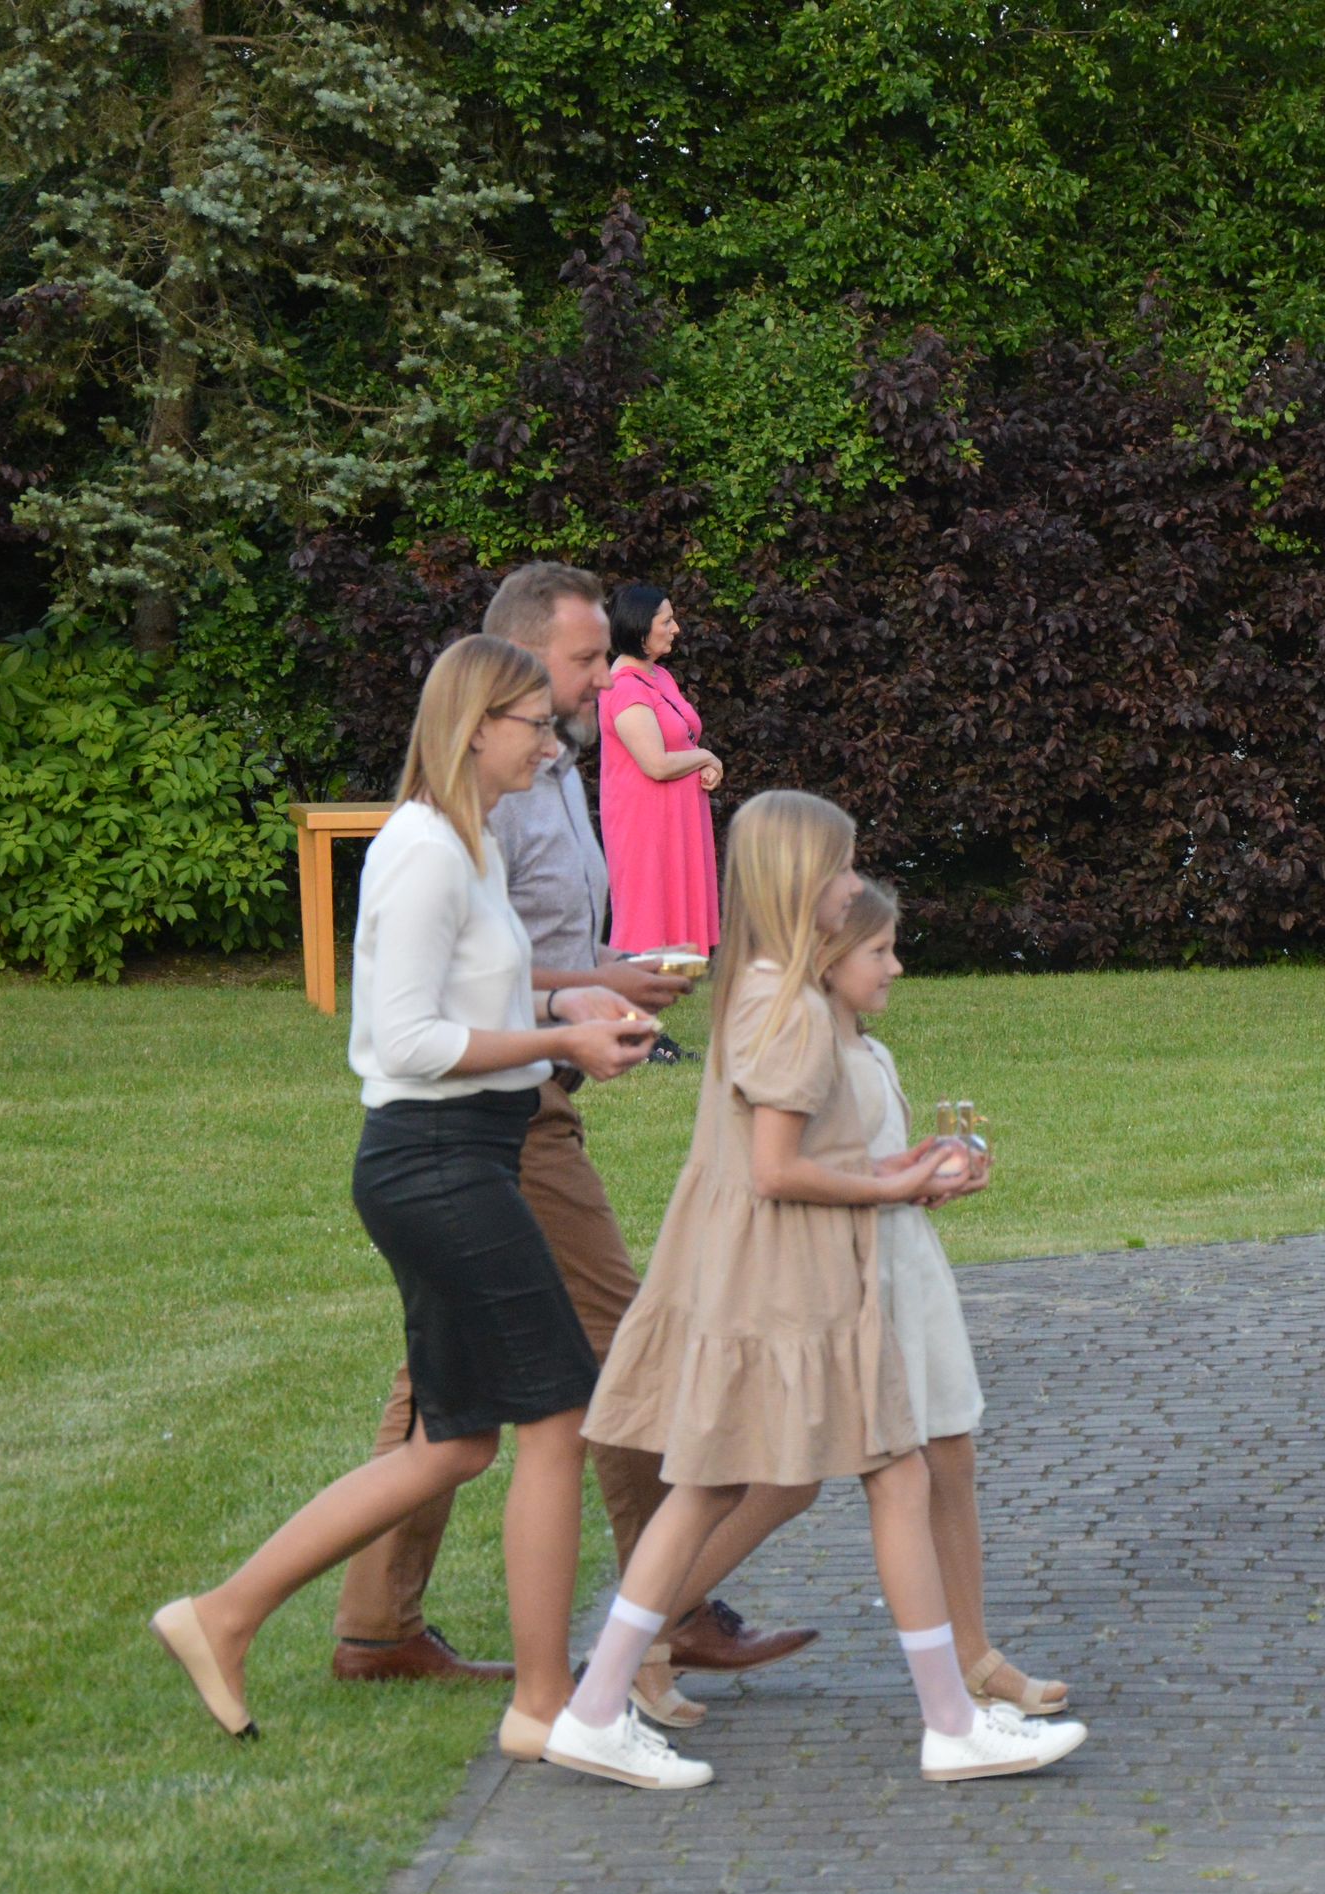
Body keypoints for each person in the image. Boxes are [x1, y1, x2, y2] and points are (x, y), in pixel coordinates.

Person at [150, 636, 657, 1742]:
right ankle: (543, 1706)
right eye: (536, 725)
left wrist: (566, 1009)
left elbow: (475, 994)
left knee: (456, 1442)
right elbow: (409, 1039)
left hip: (459, 1157)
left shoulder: (467, 845)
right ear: (475, 727)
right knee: (558, 1414)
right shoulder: (424, 850)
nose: (551, 746)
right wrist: (553, 1039)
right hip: (436, 1162)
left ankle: (222, 1615)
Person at [329, 562, 813, 1712]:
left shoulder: (541, 771)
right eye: (586, 660)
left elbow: (513, 953)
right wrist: (572, 1011)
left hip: (520, 1090)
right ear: (515, 660)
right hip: (497, 1109)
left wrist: (608, 978)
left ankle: (373, 1624)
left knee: (442, 1379)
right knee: (621, 1338)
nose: (604, 679)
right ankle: (669, 1608)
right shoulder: (471, 805)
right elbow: (437, 1000)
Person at [553, 790, 1087, 1789]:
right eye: (841, 867)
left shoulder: (757, 990)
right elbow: (777, 1170)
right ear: (802, 879)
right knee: (892, 1474)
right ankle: (951, 1720)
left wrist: (892, 1168)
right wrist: (889, 1186)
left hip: (753, 1274)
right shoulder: (792, 1007)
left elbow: (787, 1157)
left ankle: (596, 1704)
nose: (852, 884)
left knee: (716, 1485)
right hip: (793, 1283)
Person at [824, 881, 1073, 1716]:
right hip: (860, 1276)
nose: (895, 966)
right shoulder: (812, 1054)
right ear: (828, 957)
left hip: (911, 1264)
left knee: (952, 1450)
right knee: (774, 1481)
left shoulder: (871, 1050)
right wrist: (901, 1179)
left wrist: (928, 1173)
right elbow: (808, 1175)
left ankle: (976, 1654)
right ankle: (654, 1627)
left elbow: (876, 1164)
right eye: (879, 951)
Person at [598, 584, 722, 1003]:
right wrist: (706, 756)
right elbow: (655, 763)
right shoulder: (625, 688)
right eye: (666, 621)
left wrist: (703, 763)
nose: (676, 628)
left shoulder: (658, 676)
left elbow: (680, 741)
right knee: (644, 919)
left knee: (667, 918)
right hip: (644, 822)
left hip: (676, 816)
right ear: (639, 628)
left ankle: (645, 1013)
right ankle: (625, 1015)